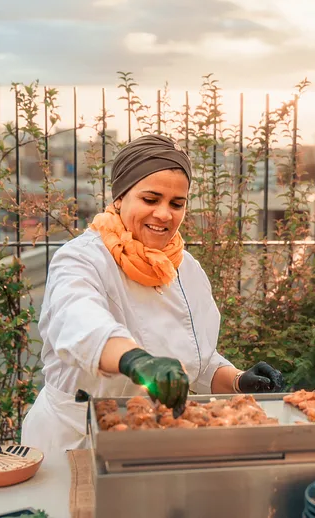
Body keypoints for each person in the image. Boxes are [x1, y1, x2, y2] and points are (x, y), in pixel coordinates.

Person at [21, 134, 284, 454]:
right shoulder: (82, 259)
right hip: (74, 440)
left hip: (153, 438)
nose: (164, 214)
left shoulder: (185, 268)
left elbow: (197, 362)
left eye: (177, 204)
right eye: (150, 199)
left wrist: (238, 381)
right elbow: (80, 322)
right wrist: (137, 360)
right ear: (119, 198)